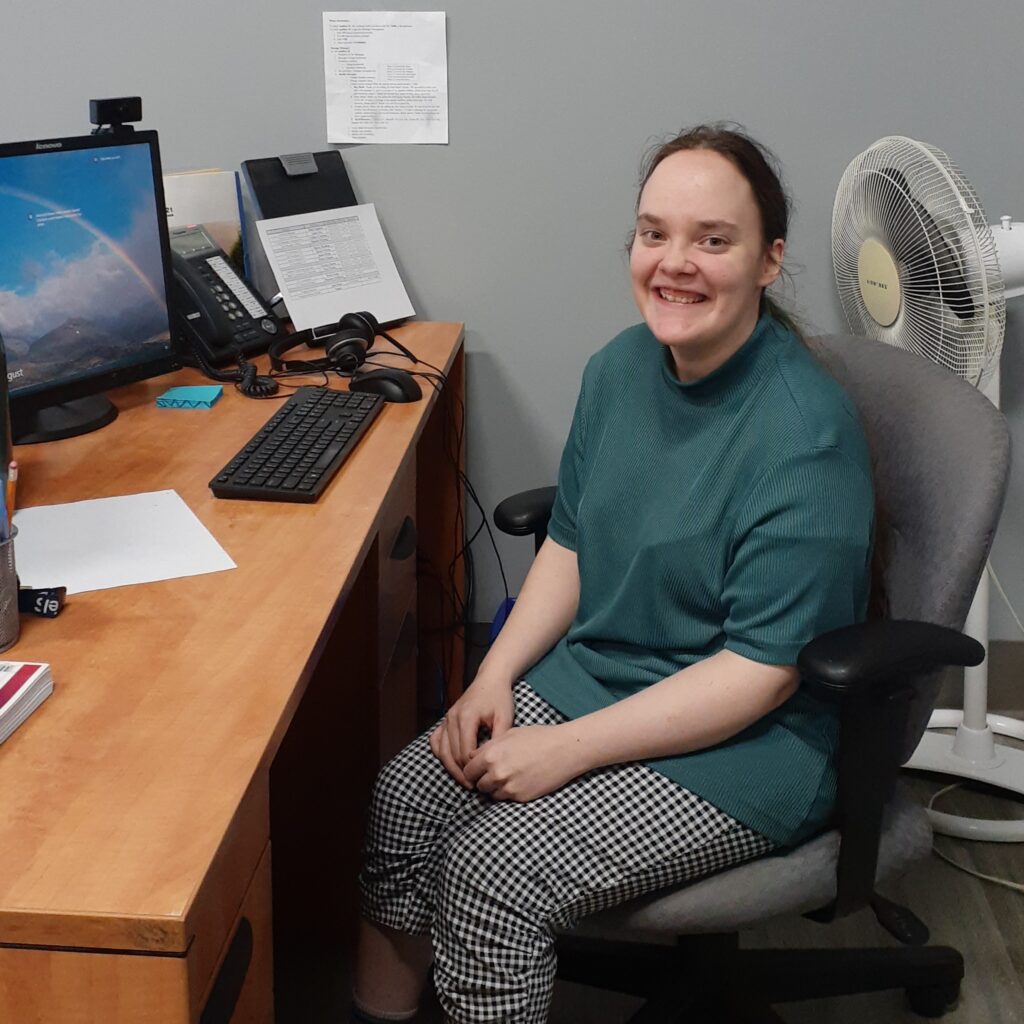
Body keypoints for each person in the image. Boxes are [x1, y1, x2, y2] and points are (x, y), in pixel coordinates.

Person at [352, 124, 876, 1024]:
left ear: (769, 260)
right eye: (654, 232)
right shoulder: (620, 370)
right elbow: (572, 543)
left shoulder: (805, 437)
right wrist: (495, 675)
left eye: (714, 240)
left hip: (749, 744)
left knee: (494, 872)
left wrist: (566, 749)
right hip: (601, 676)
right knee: (405, 796)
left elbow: (761, 670)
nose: (674, 263)